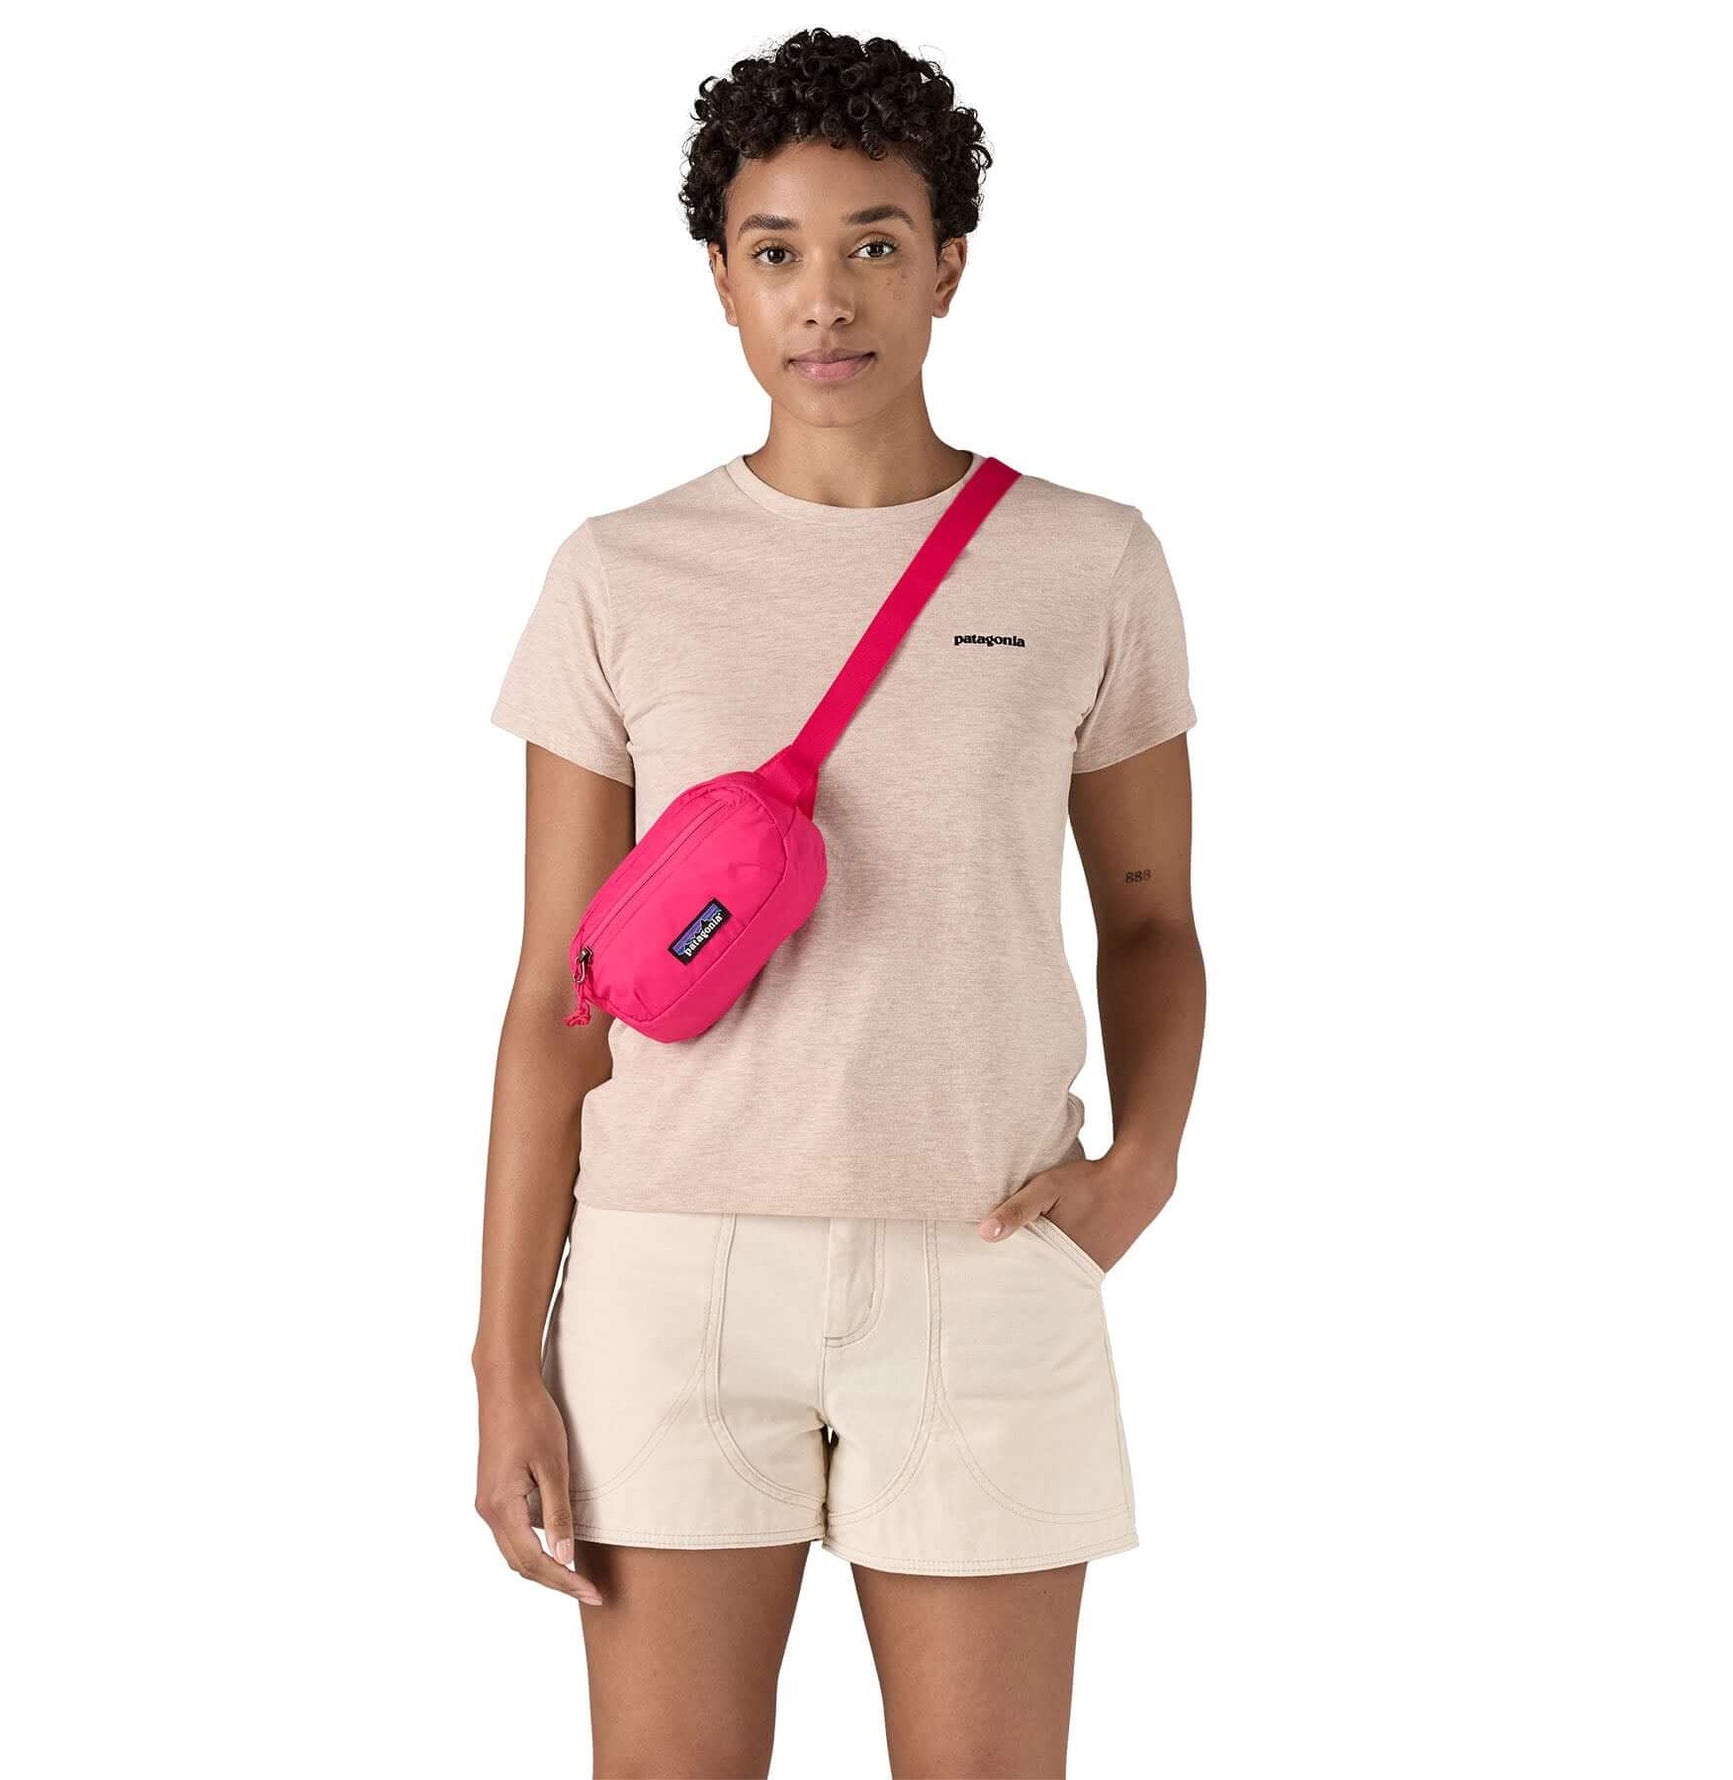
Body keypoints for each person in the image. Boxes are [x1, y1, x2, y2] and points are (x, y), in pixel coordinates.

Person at [474, 26, 1206, 1777]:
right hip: (668, 1268)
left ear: (949, 264)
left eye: (876, 242)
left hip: (983, 1253)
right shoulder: (621, 572)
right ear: (722, 279)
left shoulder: (1089, 558)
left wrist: (1144, 1167)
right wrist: (503, 1360)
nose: (826, 297)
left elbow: (1153, 918)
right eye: (776, 250)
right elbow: (556, 996)